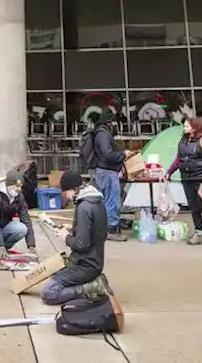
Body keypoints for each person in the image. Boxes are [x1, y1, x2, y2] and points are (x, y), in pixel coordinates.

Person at [41, 169, 113, 305]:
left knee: (48, 292)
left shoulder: (83, 207)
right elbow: (96, 230)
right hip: (95, 261)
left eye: (65, 193)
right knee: (55, 276)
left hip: (85, 264)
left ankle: (89, 288)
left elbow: (81, 245)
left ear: (70, 190)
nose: (66, 198)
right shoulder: (96, 200)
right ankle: (93, 281)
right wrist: (74, 228)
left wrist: (66, 236)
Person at [163, 117, 202, 245]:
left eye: (187, 126)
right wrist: (169, 172)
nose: (184, 128)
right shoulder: (182, 142)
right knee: (193, 206)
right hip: (187, 178)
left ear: (194, 128)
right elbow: (179, 160)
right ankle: (199, 231)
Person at [84, 110, 134, 242]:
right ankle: (111, 229)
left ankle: (110, 225)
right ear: (109, 122)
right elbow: (107, 154)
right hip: (107, 171)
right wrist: (123, 155)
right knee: (112, 201)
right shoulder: (103, 134)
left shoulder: (101, 133)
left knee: (108, 200)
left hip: (105, 171)